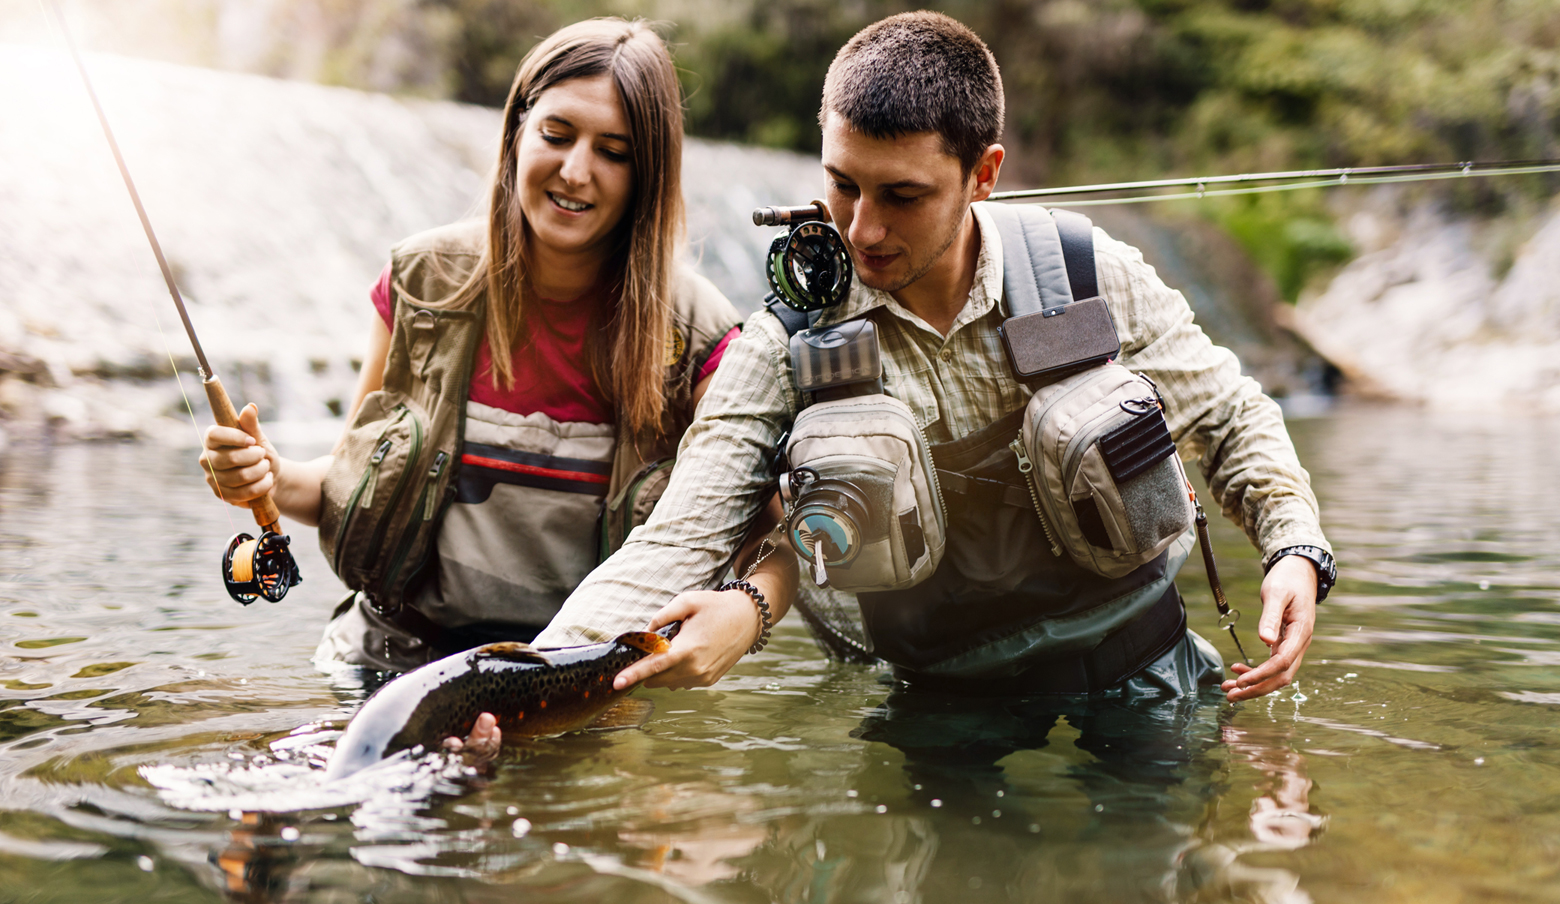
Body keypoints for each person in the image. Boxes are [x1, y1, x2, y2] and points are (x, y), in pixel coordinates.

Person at [536, 11, 1334, 705]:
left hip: (1136, 659)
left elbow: (1228, 417)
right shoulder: (788, 341)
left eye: (902, 196)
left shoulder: (1091, 274)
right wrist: (523, 682)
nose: (862, 230)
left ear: (983, 174)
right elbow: (677, 541)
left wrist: (1294, 549)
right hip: (944, 695)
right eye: (842, 185)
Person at [198, 19, 797, 689]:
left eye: (614, 151)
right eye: (557, 135)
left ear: (647, 174)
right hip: (389, 664)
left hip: (575, 685)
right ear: (517, 131)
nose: (575, 171)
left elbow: (775, 539)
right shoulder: (421, 282)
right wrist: (270, 478)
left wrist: (748, 613)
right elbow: (346, 481)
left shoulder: (703, 338)